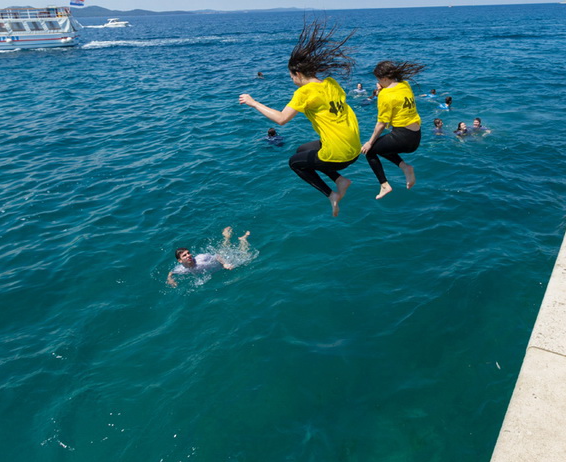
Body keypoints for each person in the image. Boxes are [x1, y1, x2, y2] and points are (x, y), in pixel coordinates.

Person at [239, 20, 361, 216]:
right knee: (302, 150)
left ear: (297, 73)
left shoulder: (304, 92)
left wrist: (254, 103)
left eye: (291, 76)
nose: (291, 79)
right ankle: (340, 180)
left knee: (294, 163)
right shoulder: (331, 83)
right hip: (354, 148)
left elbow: (282, 119)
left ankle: (331, 195)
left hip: (340, 156)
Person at [360, 60, 424, 199]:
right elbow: (395, 96)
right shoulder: (405, 84)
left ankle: (384, 185)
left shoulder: (385, 95)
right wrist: (382, 90)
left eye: (378, 80)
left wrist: (369, 142)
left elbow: (381, 124)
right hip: (415, 136)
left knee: (370, 151)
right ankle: (406, 168)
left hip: (402, 137)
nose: (378, 82)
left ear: (384, 78)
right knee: (382, 147)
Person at [167, 226, 250, 286]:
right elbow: (171, 272)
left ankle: (242, 239)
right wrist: (170, 279)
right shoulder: (182, 269)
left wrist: (224, 264)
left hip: (221, 262)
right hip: (217, 267)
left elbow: (217, 256)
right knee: (224, 247)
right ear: (180, 260)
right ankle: (227, 237)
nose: (188, 255)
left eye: (188, 253)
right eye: (184, 255)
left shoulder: (201, 258)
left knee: (245, 256)